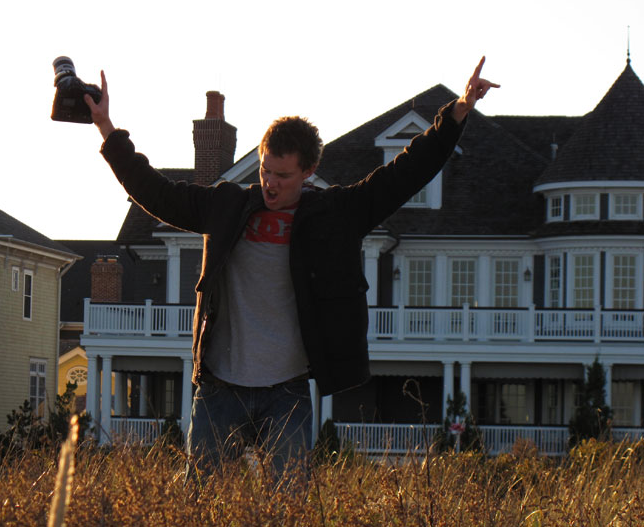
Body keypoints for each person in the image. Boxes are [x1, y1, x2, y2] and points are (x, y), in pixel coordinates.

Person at [84, 58, 498, 477]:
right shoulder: (225, 206)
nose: (270, 183)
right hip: (219, 389)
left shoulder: (335, 213)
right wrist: (106, 127)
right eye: (265, 169)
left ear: (309, 171)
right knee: (201, 506)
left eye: (282, 175)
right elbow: (154, 191)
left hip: (288, 392)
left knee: (288, 510)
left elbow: (404, 174)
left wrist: (458, 110)